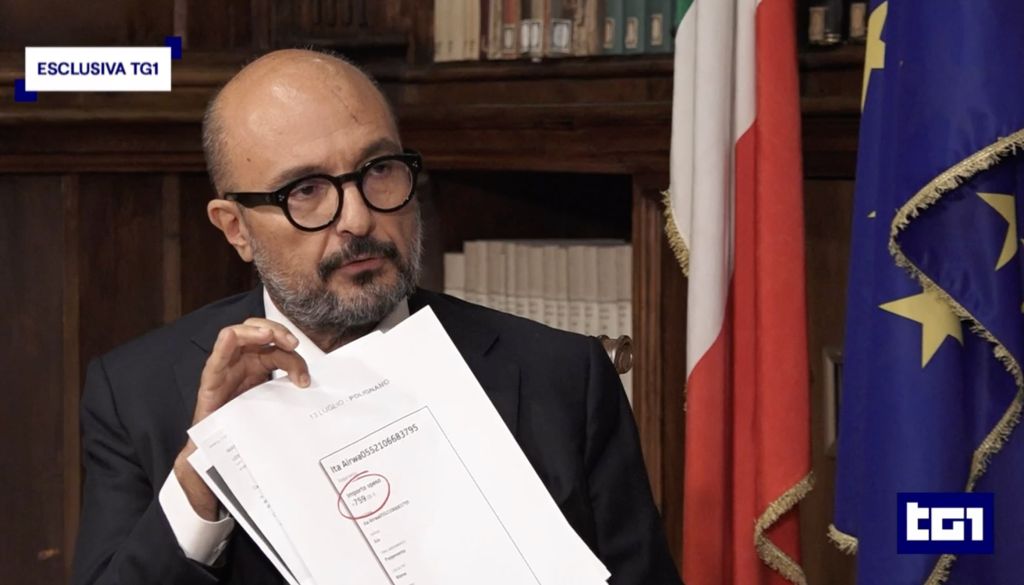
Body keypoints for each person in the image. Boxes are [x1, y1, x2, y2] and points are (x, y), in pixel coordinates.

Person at [71, 49, 681, 585]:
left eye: (379, 171)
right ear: (235, 228)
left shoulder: (563, 377)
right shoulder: (135, 394)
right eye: (305, 190)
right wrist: (202, 478)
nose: (358, 219)